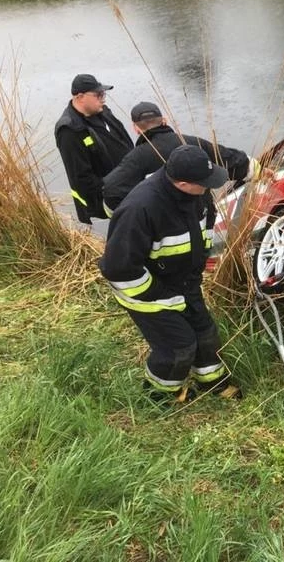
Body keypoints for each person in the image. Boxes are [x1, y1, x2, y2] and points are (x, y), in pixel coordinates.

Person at [98, 144, 242, 404]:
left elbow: (204, 228)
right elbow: (118, 269)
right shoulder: (140, 209)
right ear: (184, 183)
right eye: (205, 183)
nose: (211, 188)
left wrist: (202, 261)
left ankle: (212, 383)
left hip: (184, 281)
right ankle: (160, 397)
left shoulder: (198, 195)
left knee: (205, 333)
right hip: (145, 292)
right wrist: (161, 298)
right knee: (179, 346)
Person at [102, 101, 249, 214]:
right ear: (164, 121)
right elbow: (235, 161)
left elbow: (111, 191)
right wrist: (257, 170)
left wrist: (130, 216)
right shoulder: (192, 144)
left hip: (161, 227)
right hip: (200, 218)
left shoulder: (135, 159)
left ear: (136, 128)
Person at [54, 74, 134, 224]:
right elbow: (81, 178)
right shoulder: (69, 130)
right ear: (80, 97)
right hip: (104, 198)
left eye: (103, 94)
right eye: (98, 94)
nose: (103, 98)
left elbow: (124, 141)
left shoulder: (102, 111)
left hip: (127, 186)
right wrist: (115, 189)